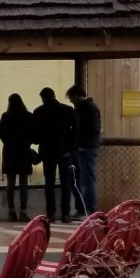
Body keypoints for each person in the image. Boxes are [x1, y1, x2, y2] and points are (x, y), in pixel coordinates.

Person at [32, 87, 78, 221]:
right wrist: (70, 149)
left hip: (47, 152)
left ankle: (50, 214)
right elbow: (75, 132)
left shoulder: (39, 112)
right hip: (64, 152)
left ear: (43, 98)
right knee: (66, 183)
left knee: (49, 183)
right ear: (54, 95)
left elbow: (35, 135)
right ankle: (66, 213)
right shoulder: (67, 110)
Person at [0, 94, 36, 221]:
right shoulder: (28, 116)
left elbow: (1, 134)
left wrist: (10, 143)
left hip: (10, 152)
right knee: (24, 183)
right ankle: (23, 211)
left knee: (10, 183)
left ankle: (11, 211)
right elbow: (32, 134)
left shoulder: (6, 117)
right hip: (24, 152)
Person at [67, 85, 101, 215]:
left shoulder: (88, 109)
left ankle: (89, 208)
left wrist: (81, 143)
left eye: (71, 97)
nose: (70, 101)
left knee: (87, 179)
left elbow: (93, 129)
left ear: (76, 96)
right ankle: (86, 208)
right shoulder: (87, 108)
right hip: (86, 147)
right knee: (85, 179)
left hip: (87, 148)